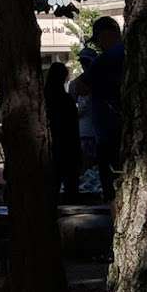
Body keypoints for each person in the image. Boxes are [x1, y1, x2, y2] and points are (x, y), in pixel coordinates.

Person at [78, 16, 124, 205]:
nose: (99, 45)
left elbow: (81, 87)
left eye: (98, 40)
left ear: (106, 35)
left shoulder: (105, 59)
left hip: (108, 132)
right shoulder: (130, 54)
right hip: (123, 130)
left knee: (111, 185)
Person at [44, 61, 82, 203]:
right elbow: (73, 128)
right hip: (68, 148)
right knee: (71, 189)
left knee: (51, 189)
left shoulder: (44, 99)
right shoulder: (67, 101)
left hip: (51, 148)